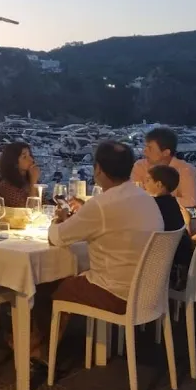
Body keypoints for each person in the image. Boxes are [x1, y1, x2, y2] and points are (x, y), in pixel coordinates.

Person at [41, 141, 164, 360]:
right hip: (149, 292)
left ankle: (37, 351)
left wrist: (58, 220)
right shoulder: (146, 199)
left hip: (116, 293)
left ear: (98, 169)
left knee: (48, 283)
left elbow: (56, 237)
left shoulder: (101, 205)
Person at [145, 164, 192, 290]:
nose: (144, 183)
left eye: (148, 180)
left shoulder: (152, 205)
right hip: (176, 260)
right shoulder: (173, 203)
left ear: (159, 184)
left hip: (163, 266)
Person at [130, 127, 196, 209]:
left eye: (150, 148)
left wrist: (161, 201)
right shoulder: (140, 166)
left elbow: (190, 202)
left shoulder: (185, 170)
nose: (144, 151)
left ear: (166, 152)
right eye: (145, 147)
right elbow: (133, 196)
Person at [0, 142, 40, 208]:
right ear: (14, 162)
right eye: (24, 157)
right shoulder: (6, 186)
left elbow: (44, 204)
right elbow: (29, 209)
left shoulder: (27, 181)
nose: (31, 160)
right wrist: (33, 181)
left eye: (30, 155)